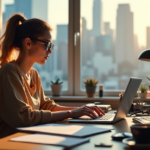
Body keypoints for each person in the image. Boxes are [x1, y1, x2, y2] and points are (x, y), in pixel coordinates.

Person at [0, 13, 105, 138]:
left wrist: (82, 110)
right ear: (28, 43)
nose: (50, 51)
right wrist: (71, 113)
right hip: (10, 143)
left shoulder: (33, 74)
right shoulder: (9, 72)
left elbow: (46, 106)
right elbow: (23, 118)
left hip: (29, 139)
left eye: (51, 45)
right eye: (46, 44)